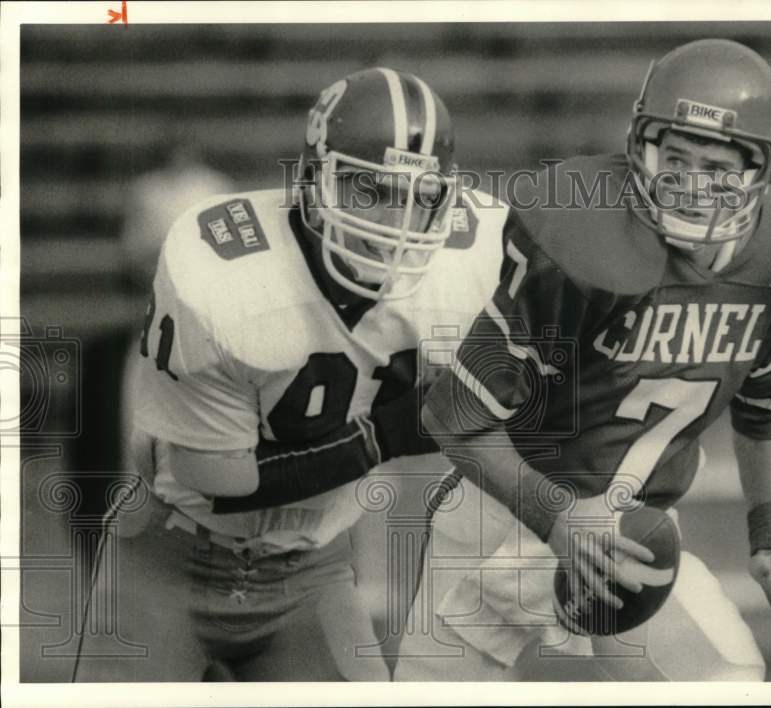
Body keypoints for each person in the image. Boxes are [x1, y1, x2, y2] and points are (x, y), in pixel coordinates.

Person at [393, 39, 771, 681]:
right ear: (642, 148)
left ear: (762, 172)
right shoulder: (582, 235)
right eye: (675, 158)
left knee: (728, 680)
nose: (691, 186)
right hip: (502, 519)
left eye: (717, 167)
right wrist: (557, 515)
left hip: (631, 534)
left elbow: (765, 397)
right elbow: (456, 416)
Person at [73, 67, 505, 682]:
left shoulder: (473, 260)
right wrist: (384, 437)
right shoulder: (223, 270)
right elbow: (214, 478)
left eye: (418, 195)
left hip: (313, 573)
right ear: (311, 180)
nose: (394, 219)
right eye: (367, 188)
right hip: (167, 559)